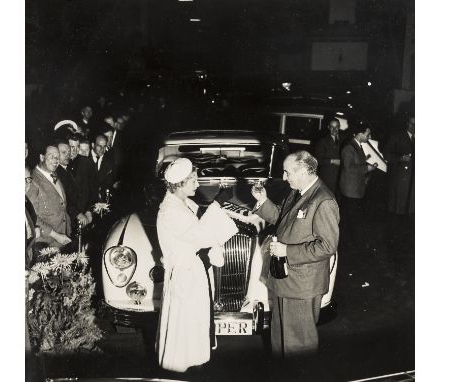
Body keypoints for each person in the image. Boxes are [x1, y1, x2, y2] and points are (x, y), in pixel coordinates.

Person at [251, 151, 339, 359]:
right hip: (286, 280)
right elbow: (282, 219)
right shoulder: (298, 191)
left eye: (287, 172)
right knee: (280, 339)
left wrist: (286, 251)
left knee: (298, 345)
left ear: (304, 171)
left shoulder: (323, 200)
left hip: (302, 286)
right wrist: (262, 201)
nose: (284, 177)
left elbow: (327, 246)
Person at [156, 158, 238, 373]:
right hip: (185, 275)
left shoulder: (183, 204)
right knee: (184, 332)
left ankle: (193, 367)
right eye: (193, 180)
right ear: (180, 183)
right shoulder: (171, 211)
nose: (198, 183)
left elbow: (200, 223)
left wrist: (217, 206)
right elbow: (202, 235)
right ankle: (181, 372)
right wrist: (218, 202)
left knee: (193, 328)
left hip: (192, 273)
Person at [339, 124, 378, 252]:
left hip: (356, 190)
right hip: (351, 191)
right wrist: (368, 168)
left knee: (353, 219)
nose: (369, 136)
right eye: (368, 134)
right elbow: (349, 168)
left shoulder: (357, 147)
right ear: (359, 134)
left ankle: (352, 245)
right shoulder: (349, 148)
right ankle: (352, 247)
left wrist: (367, 163)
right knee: (352, 220)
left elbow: (357, 163)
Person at [26, 143, 72, 248]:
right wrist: (55, 235)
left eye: (58, 157)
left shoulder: (54, 174)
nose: (56, 160)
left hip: (62, 238)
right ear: (42, 157)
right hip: (46, 243)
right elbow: (32, 216)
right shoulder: (33, 181)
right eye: (52, 157)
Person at [383, 116, 415, 216]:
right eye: (411, 123)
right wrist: (400, 158)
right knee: (398, 211)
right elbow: (386, 153)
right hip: (400, 181)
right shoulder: (397, 136)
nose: (414, 126)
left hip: (413, 182)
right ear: (407, 123)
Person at [314, 118, 343, 196]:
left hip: (340, 178)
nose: (334, 129)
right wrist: (332, 161)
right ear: (328, 127)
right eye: (332, 127)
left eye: (336, 126)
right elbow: (317, 160)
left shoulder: (343, 140)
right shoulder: (322, 141)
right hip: (327, 178)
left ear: (339, 127)